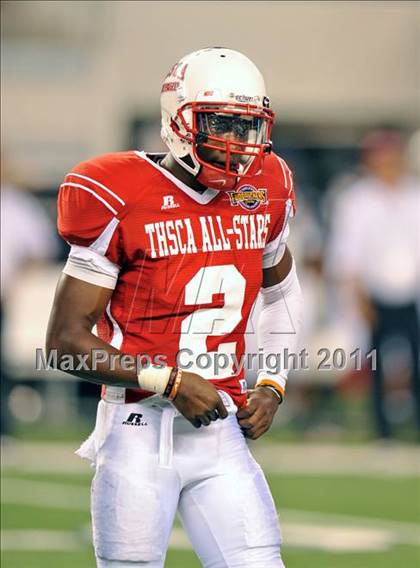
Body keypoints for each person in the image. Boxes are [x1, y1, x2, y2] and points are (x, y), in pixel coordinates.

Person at [46, 47, 303, 568]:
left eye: (247, 127)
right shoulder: (120, 191)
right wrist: (173, 381)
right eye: (220, 124)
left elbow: (282, 297)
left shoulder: (266, 187)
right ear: (178, 120)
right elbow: (65, 343)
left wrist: (272, 384)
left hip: (220, 434)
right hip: (136, 433)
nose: (237, 144)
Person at [327, 130, 420, 439]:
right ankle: (384, 430)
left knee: (416, 360)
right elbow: (348, 251)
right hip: (375, 292)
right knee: (377, 362)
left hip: (412, 293)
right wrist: (358, 296)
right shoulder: (358, 200)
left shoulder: (413, 194)